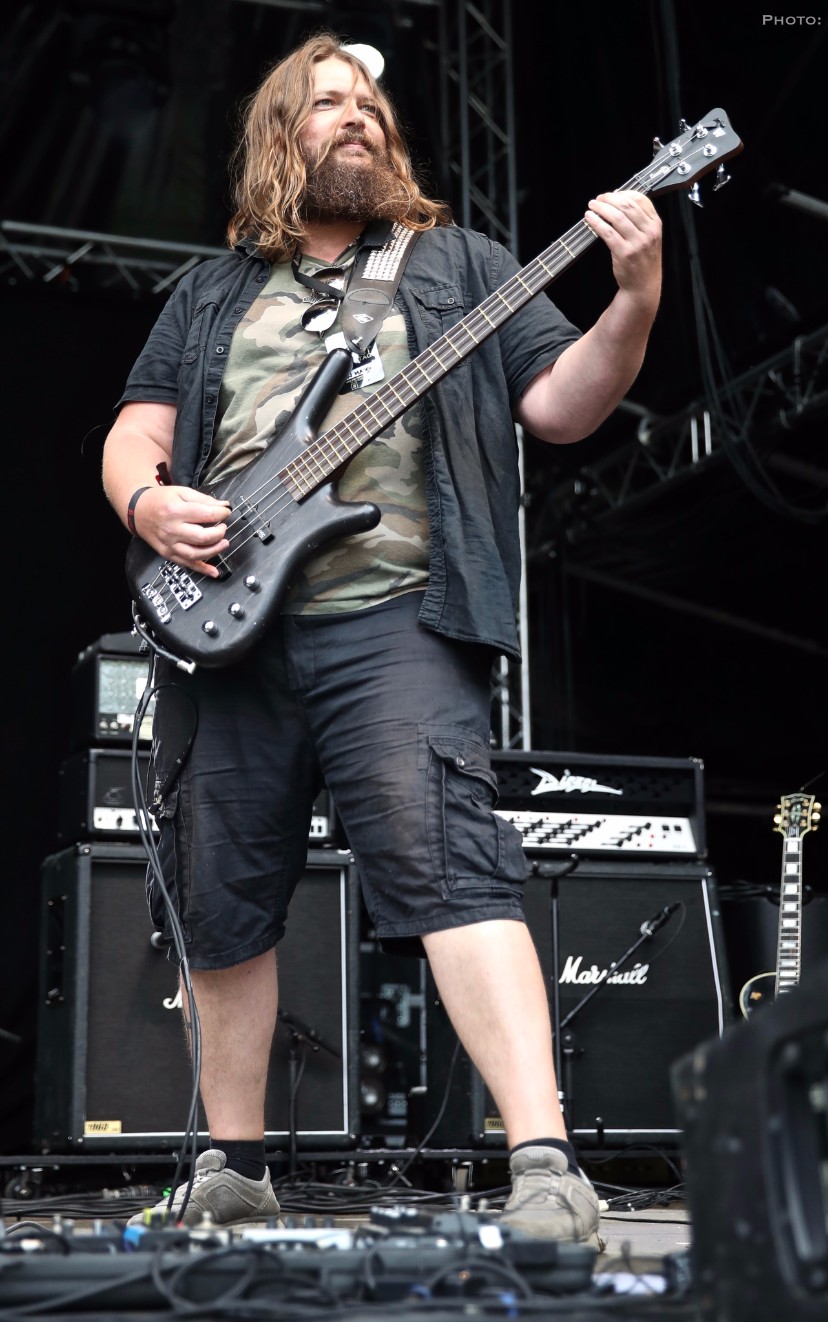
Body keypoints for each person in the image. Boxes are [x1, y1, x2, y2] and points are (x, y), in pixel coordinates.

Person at [101, 30, 662, 1245]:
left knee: (452, 860)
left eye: (367, 104)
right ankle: (233, 1163)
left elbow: (561, 406)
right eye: (324, 103)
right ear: (278, 135)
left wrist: (634, 298)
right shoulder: (212, 291)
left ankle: (545, 1158)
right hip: (228, 622)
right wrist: (150, 504)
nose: (354, 116)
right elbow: (135, 433)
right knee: (219, 893)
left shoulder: (459, 263)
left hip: (400, 615)